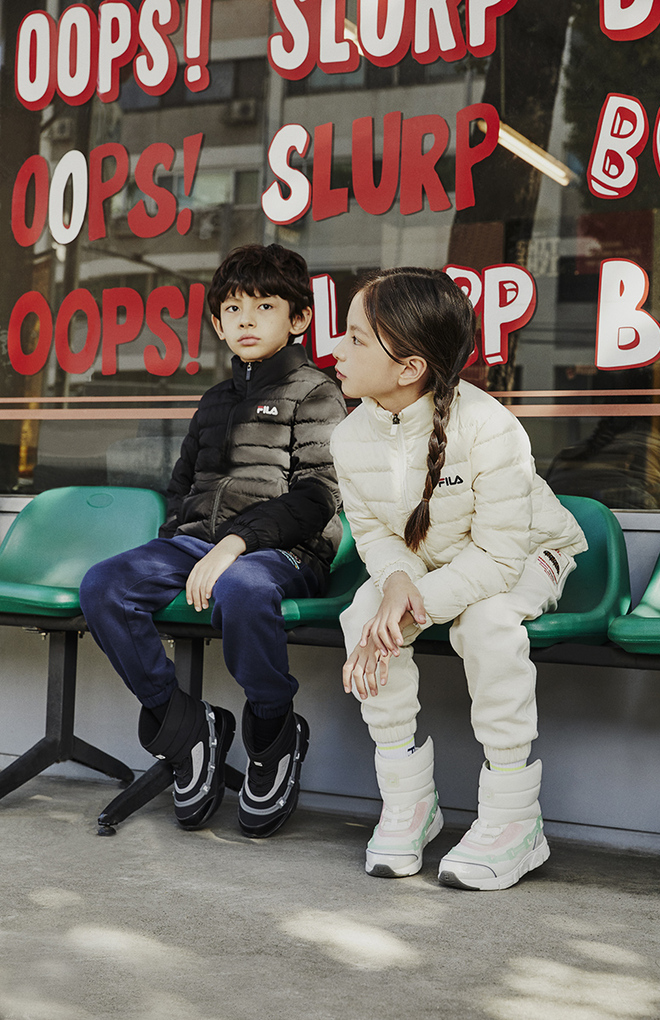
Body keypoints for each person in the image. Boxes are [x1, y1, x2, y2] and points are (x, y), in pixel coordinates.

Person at [330, 267, 587, 890]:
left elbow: (498, 558)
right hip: (432, 563)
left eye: (356, 338)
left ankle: (514, 816)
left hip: (530, 551)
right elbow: (376, 536)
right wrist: (395, 582)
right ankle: (409, 804)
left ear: (409, 368)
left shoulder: (489, 425)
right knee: (362, 614)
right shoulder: (348, 436)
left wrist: (407, 605)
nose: (337, 348)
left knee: (487, 621)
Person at [80, 243, 346, 837]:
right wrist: (175, 541)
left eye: (264, 306)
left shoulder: (317, 392)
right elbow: (182, 487)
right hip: (199, 543)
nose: (246, 320)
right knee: (104, 585)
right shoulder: (215, 400)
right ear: (219, 324)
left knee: (243, 587)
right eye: (232, 309)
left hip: (283, 552)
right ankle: (184, 725)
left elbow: (319, 496)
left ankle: (274, 730)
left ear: (299, 318)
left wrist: (236, 544)